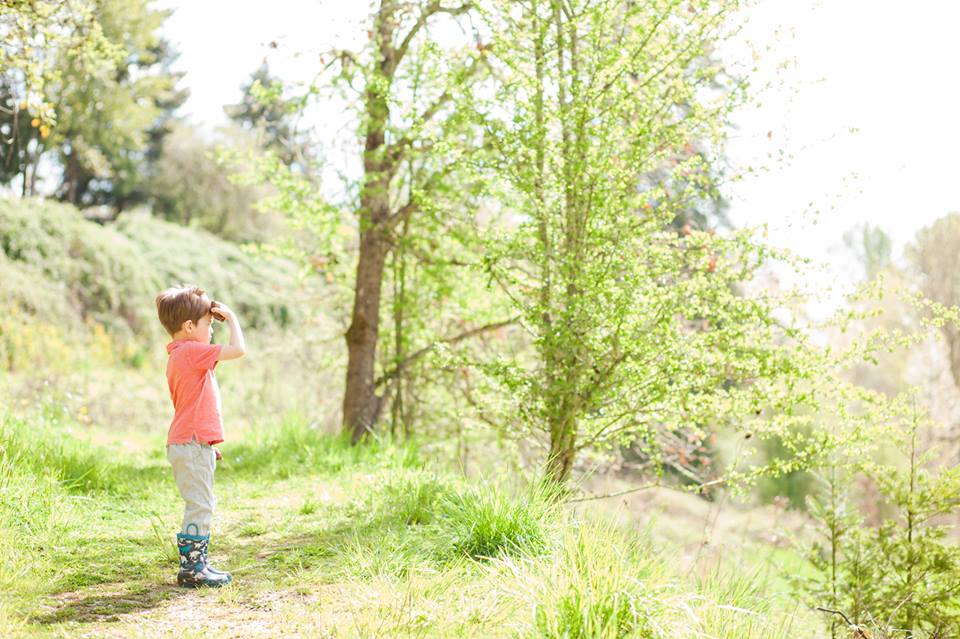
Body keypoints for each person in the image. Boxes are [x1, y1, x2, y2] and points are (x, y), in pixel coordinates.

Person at [154, 285, 245, 587]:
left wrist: (205, 441)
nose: (213, 330)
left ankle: (197, 565)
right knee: (201, 505)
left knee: (201, 502)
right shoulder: (192, 352)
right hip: (190, 443)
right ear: (189, 326)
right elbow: (239, 350)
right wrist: (231, 318)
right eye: (209, 324)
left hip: (192, 441)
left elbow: (192, 403)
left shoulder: (180, 355)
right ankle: (192, 569)